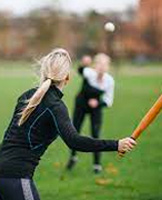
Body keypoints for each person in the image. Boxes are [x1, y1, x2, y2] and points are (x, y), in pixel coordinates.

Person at [0, 48, 136, 200]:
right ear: (67, 77)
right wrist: (116, 144)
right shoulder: (56, 106)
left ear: (44, 72)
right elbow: (75, 141)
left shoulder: (27, 95)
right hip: (15, 177)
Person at [66, 53, 115, 174]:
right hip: (81, 104)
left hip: (95, 108)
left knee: (96, 134)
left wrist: (98, 103)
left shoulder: (109, 81)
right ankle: (73, 156)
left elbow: (109, 101)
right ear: (95, 65)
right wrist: (84, 63)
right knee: (74, 131)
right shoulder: (89, 73)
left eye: (104, 64)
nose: (102, 67)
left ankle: (97, 164)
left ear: (108, 66)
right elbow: (80, 70)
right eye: (99, 64)